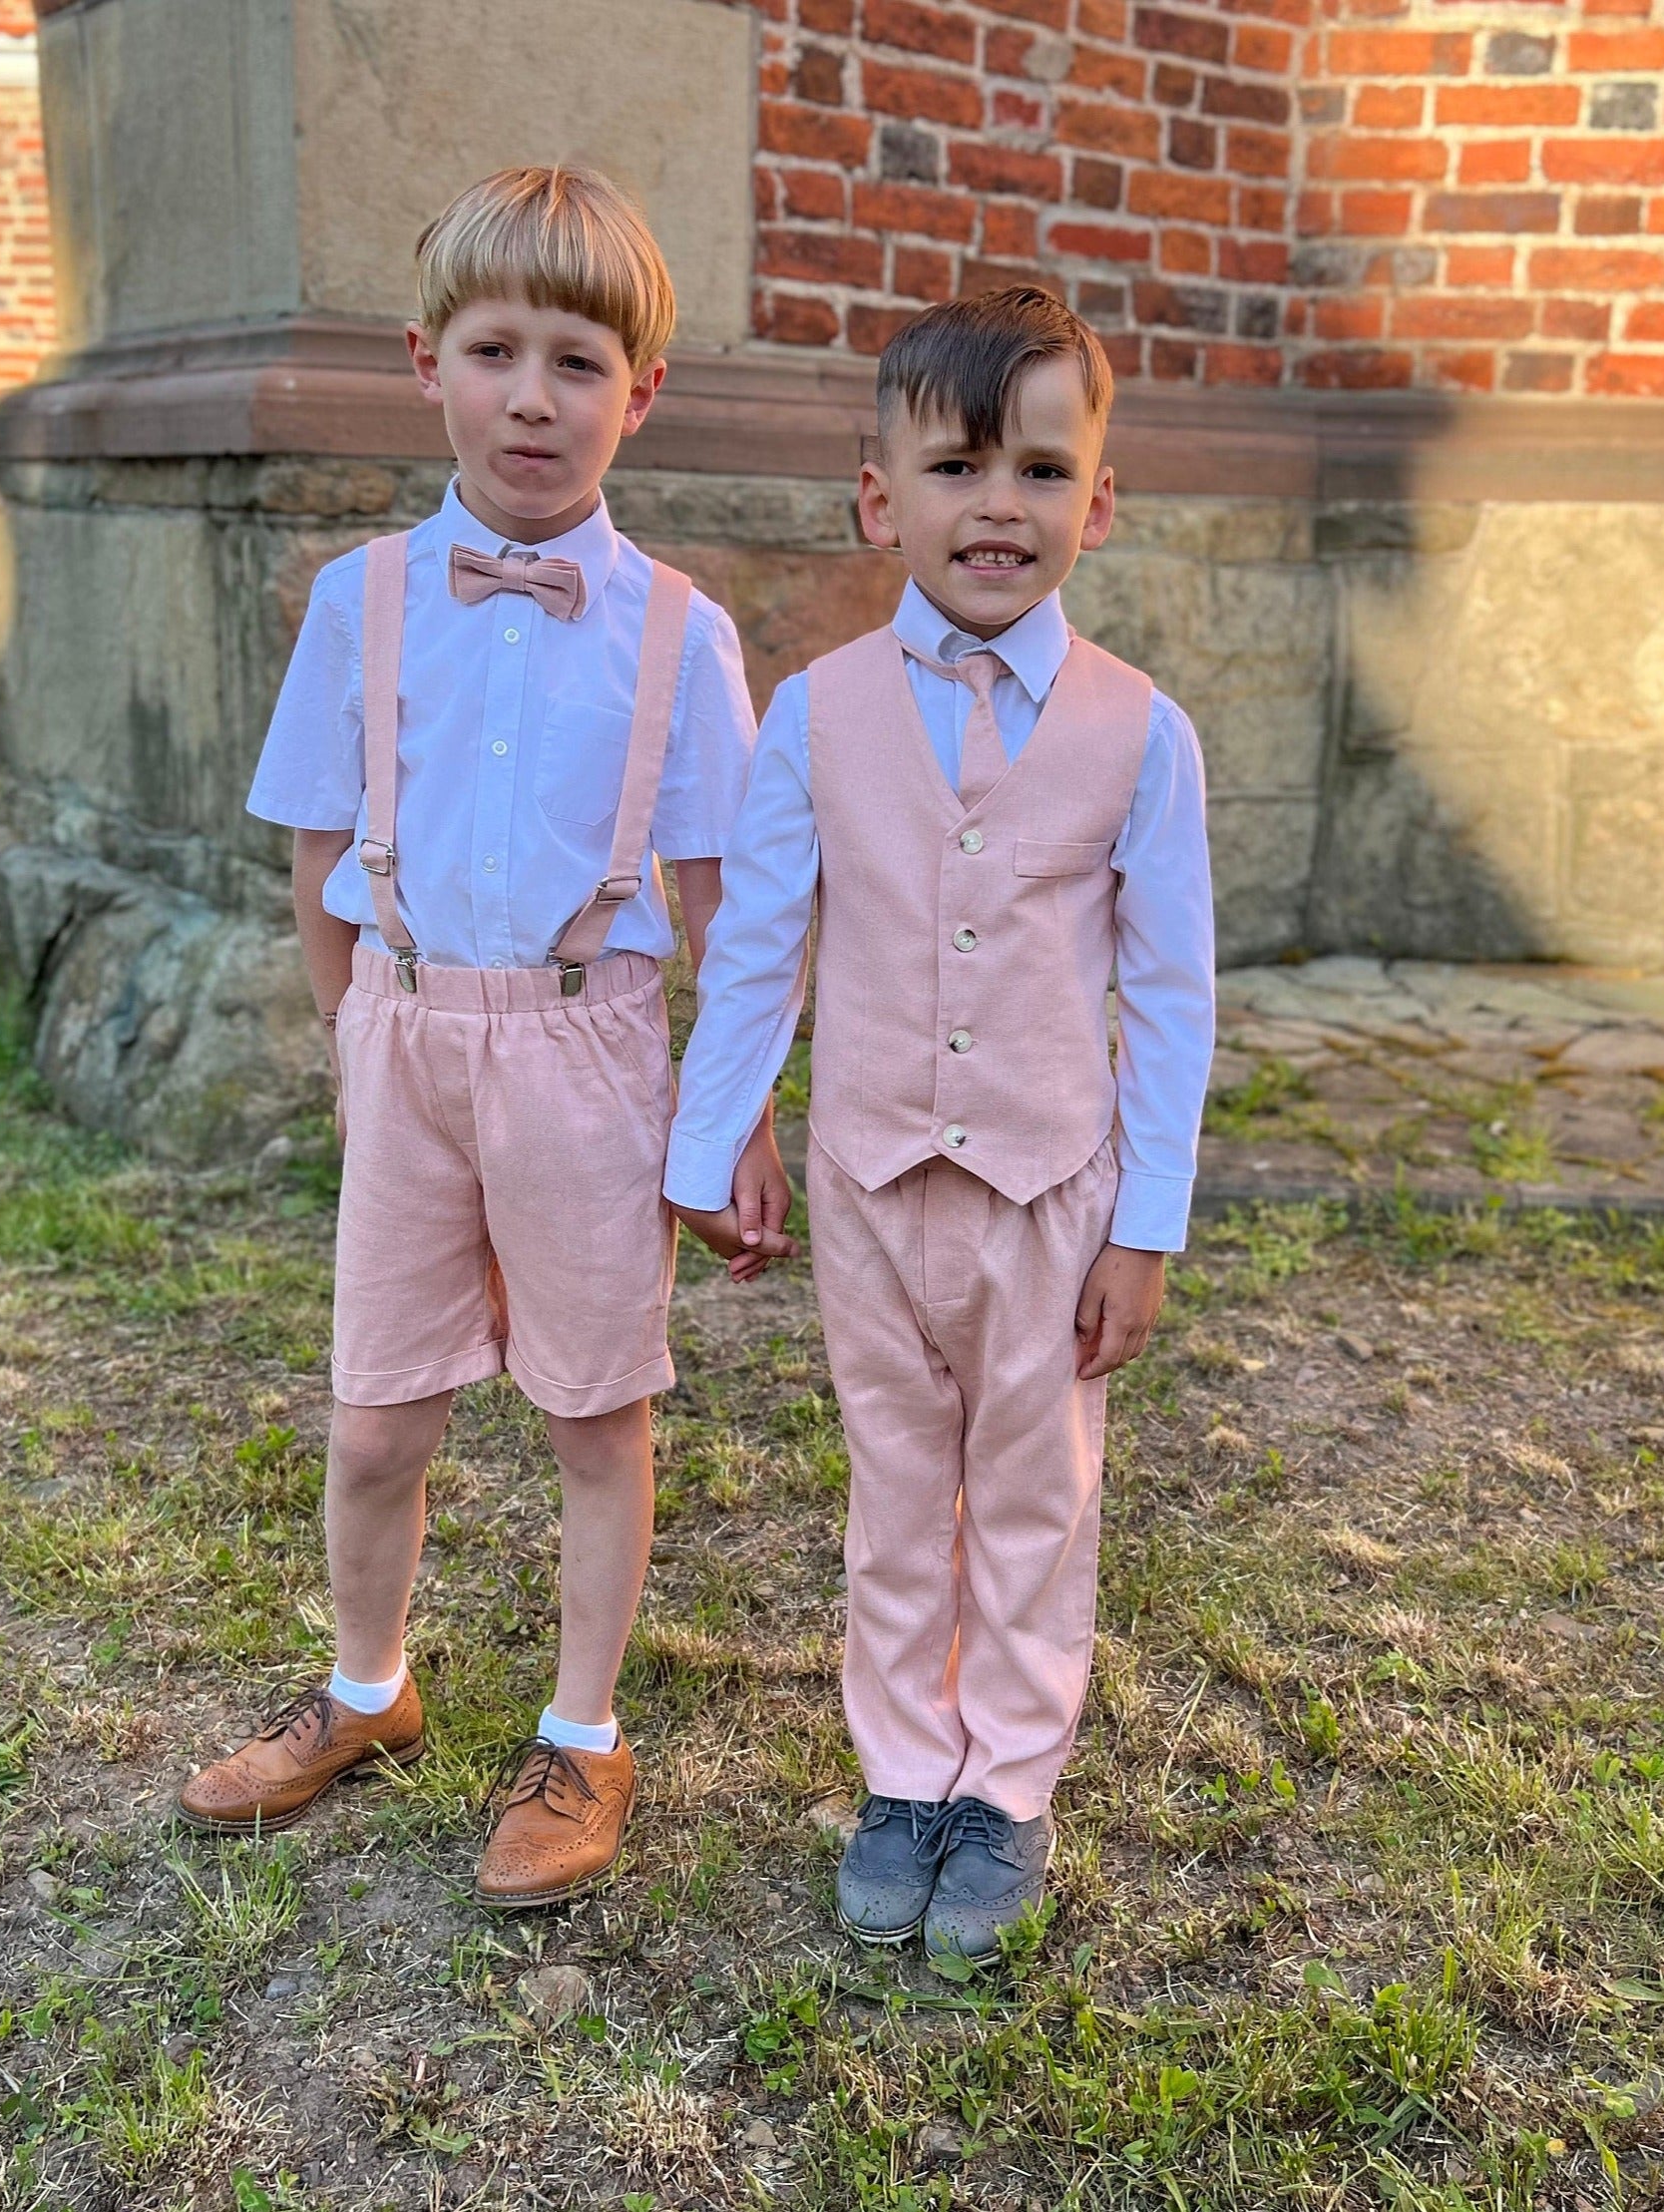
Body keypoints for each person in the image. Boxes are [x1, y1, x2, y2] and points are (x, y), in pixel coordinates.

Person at [177, 167, 757, 1909]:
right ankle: (368, 1689)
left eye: (578, 361)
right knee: (376, 1415)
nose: (532, 396)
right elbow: (313, 844)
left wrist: (727, 1111)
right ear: (425, 361)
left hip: (590, 1050)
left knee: (595, 1411)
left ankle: (583, 1735)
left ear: (637, 394)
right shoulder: (363, 600)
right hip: (410, 1034)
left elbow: (725, 895)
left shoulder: (682, 629)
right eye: (495, 350)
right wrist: (358, 1034)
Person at [668, 286, 1215, 1965]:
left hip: (1053, 1187)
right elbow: (760, 936)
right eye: (958, 465)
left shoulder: (1144, 731)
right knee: (899, 1486)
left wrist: (1147, 1223)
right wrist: (716, 1143)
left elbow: (1171, 991)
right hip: (872, 1181)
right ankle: (907, 1768)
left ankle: (1011, 1785)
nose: (1000, 506)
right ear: (876, 498)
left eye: (1042, 471)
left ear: (1097, 503)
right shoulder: (814, 710)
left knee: (1035, 1495)